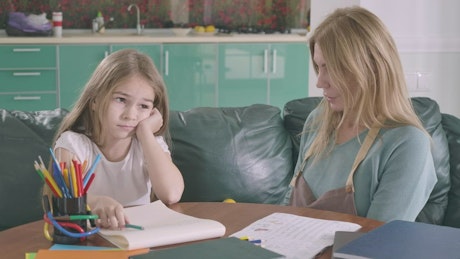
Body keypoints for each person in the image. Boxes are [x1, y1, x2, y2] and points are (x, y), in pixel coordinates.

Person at [285, 6, 437, 222]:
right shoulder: (317, 121)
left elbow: (379, 241)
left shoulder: (408, 144)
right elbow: (287, 204)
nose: (320, 82)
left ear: (370, 69)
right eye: (319, 67)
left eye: (332, 69)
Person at [48, 49, 184, 229]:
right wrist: (95, 202)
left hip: (139, 239)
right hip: (89, 240)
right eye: (120, 99)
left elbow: (171, 194)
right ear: (95, 100)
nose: (130, 115)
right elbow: (62, 199)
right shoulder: (73, 145)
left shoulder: (149, 144)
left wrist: (144, 132)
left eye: (143, 106)